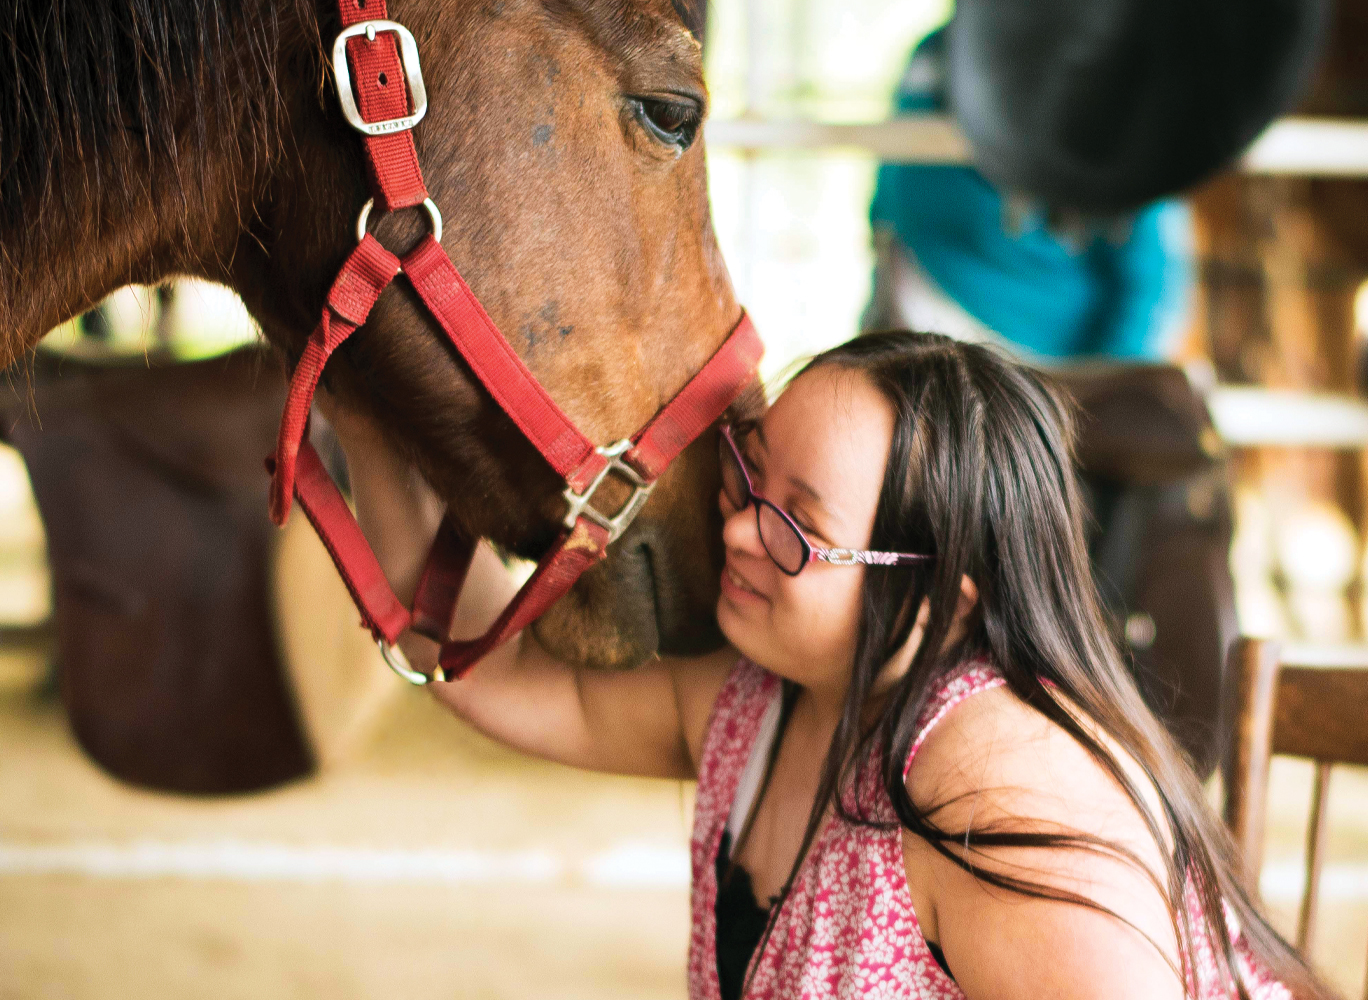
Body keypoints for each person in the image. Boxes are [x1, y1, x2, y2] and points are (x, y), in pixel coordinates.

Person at [332, 331, 1325, 1000]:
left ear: (943, 596)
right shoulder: (762, 700)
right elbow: (501, 671)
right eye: (752, 473)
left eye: (796, 527)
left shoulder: (1003, 797)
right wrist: (366, 418)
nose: (737, 528)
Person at [864, 27, 1196, 364]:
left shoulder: (1114, 86)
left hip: (1030, 359)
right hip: (907, 314)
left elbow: (1154, 284)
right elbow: (894, 167)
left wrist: (1105, 386)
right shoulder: (936, 52)